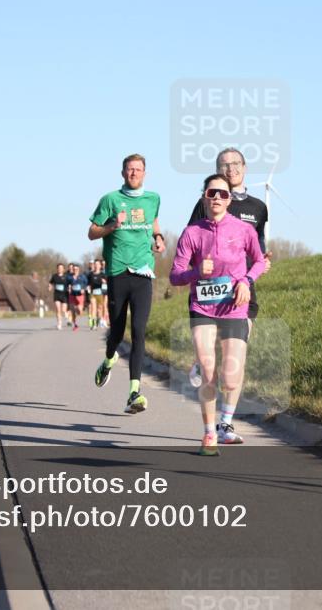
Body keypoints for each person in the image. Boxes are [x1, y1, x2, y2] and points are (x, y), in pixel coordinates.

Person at [171, 174, 265, 455]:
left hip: (234, 306)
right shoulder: (192, 232)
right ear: (204, 196)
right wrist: (195, 272)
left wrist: (246, 282)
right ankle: (210, 433)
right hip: (202, 307)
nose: (217, 198)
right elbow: (175, 275)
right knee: (210, 371)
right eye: (212, 193)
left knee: (232, 377)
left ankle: (226, 421)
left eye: (223, 194)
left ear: (229, 199)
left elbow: (259, 261)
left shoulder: (243, 229)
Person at [186, 148, 272, 436]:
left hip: (243, 289)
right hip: (209, 293)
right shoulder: (209, 199)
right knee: (212, 357)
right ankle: (202, 361)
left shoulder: (259, 207)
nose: (230, 169)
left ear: (245, 168)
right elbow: (191, 244)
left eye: (235, 164)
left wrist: (260, 265)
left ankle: (225, 423)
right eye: (224, 165)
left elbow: (257, 246)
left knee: (235, 358)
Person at [88, 154, 166, 414]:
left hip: (144, 272)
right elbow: (91, 232)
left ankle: (134, 392)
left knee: (139, 330)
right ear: (123, 173)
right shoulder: (109, 199)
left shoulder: (153, 198)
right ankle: (109, 358)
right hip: (118, 271)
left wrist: (158, 236)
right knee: (117, 332)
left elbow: (153, 220)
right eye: (130, 169)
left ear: (145, 173)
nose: (134, 173)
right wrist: (112, 225)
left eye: (138, 169)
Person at [67, 263, 88, 331]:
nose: (75, 270)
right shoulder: (69, 277)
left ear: (79, 270)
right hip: (72, 295)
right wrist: (68, 287)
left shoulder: (82, 277)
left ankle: (78, 312)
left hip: (80, 295)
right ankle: (75, 324)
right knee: (73, 311)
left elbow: (86, 284)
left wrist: (83, 289)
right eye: (74, 269)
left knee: (79, 310)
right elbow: (66, 285)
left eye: (76, 269)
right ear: (72, 270)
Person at [48, 263, 68, 330]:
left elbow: (70, 283)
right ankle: (59, 323)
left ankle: (66, 313)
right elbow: (51, 282)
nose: (60, 269)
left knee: (63, 310)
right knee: (58, 309)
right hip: (57, 294)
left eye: (61, 268)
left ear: (63, 269)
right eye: (58, 268)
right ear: (57, 269)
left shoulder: (66, 276)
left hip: (64, 294)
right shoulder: (54, 276)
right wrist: (50, 287)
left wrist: (70, 287)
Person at [88, 259, 105, 330]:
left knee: (100, 309)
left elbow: (106, 284)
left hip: (100, 293)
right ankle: (93, 324)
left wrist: (104, 282)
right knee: (93, 308)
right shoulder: (91, 274)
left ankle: (98, 320)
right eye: (95, 264)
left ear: (100, 266)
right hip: (93, 293)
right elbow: (88, 283)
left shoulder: (103, 274)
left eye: (98, 264)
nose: (96, 265)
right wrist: (88, 287)